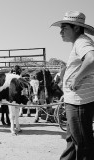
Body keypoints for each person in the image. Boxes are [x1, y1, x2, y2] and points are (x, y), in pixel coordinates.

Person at [51, 11, 94, 160]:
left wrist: (76, 79)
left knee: (84, 145)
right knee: (73, 142)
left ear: (76, 28)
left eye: (64, 28)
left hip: (79, 102)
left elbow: (92, 59)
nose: (61, 32)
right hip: (75, 100)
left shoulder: (82, 41)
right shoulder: (78, 43)